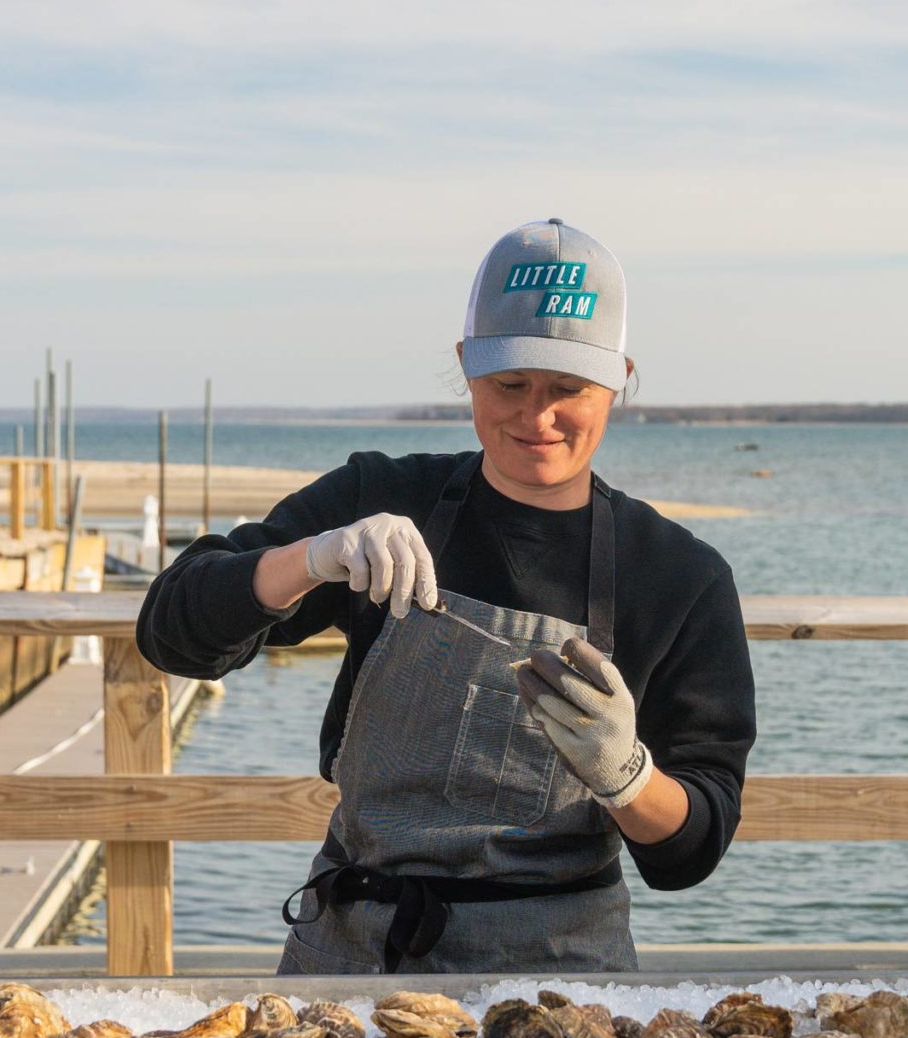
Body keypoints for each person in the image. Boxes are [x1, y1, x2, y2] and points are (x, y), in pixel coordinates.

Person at [137, 218, 755, 974]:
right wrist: (313, 556)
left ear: (619, 378)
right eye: (509, 385)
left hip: (559, 973)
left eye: (568, 388)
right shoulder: (381, 494)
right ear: (466, 364)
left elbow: (691, 847)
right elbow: (170, 631)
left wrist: (628, 775)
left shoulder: (679, 577)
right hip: (354, 957)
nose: (537, 417)